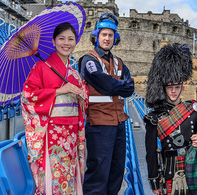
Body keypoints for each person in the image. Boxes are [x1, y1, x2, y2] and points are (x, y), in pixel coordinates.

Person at [21, 22, 89, 194]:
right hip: (52, 132)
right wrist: (58, 91)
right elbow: (28, 96)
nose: (66, 43)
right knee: (54, 177)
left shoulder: (74, 72)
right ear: (53, 41)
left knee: (69, 175)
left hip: (72, 133)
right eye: (61, 39)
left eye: (70, 39)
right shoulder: (41, 67)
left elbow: (84, 96)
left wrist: (82, 96)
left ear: (75, 42)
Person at [144, 44, 197, 195]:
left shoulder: (195, 110)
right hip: (170, 172)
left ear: (182, 87)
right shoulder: (154, 117)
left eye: (176, 87)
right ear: (164, 88)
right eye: (170, 87)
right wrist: (154, 182)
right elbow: (150, 153)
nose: (173, 91)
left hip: (196, 169)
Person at [80, 13, 134, 195]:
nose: (107, 38)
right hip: (99, 124)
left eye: (111, 35)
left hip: (119, 123)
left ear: (115, 38)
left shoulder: (119, 62)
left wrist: (113, 86)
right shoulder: (88, 60)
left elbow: (130, 87)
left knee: (116, 172)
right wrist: (116, 85)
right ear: (96, 36)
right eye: (104, 34)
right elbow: (104, 82)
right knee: (98, 173)